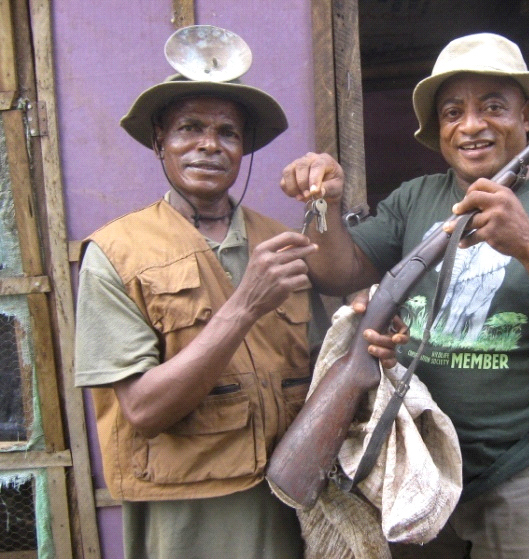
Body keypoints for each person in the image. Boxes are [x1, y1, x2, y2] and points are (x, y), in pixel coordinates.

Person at [280, 33, 529, 559]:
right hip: (418, 457)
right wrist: (324, 206)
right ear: (440, 131)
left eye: (493, 107)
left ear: (527, 118)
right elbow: (338, 272)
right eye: (454, 112)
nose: (471, 125)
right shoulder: (415, 197)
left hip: (527, 464)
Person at [74, 29, 404, 559]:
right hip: (188, 512)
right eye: (189, 128)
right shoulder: (116, 253)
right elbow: (142, 409)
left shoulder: (282, 242)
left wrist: (368, 341)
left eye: (227, 132)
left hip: (289, 495)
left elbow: (327, 369)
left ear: (243, 148)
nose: (209, 144)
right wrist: (246, 304)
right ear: (160, 139)